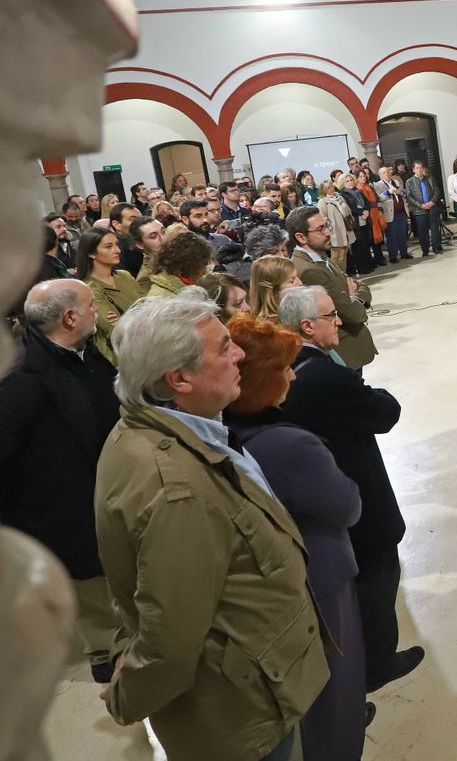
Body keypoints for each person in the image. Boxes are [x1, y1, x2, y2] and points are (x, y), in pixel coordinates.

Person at [95, 295, 328, 761]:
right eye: (223, 348)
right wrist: (127, 696)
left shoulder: (170, 430)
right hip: (244, 713)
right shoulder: (176, 489)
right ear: (179, 379)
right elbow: (171, 637)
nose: (240, 353)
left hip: (252, 684)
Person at [225, 312, 371, 760]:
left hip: (279, 581)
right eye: (285, 368)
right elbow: (346, 505)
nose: (293, 374)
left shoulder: (228, 429)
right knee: (336, 688)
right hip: (320, 576)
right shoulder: (289, 445)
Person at [277, 287, 424, 696]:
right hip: (357, 490)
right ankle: (378, 663)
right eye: (330, 316)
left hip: (327, 491)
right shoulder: (323, 375)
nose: (338, 320)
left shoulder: (290, 363)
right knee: (378, 579)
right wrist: (373, 392)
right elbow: (384, 411)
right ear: (307, 325)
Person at [0, 279, 120, 685]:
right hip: (63, 504)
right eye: (91, 304)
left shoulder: (81, 353)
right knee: (96, 598)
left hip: (96, 486)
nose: (97, 310)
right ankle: (108, 662)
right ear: (70, 317)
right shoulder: (22, 376)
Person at [288, 206, 378, 369]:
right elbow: (352, 313)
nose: (328, 233)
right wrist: (357, 297)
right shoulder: (308, 270)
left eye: (326, 226)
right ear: (301, 237)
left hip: (353, 347)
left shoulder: (321, 257)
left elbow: (359, 285)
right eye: (320, 229)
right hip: (344, 353)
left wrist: (353, 295)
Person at [77, 227, 146, 365]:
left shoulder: (124, 276)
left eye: (117, 244)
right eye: (109, 246)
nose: (117, 250)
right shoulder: (89, 289)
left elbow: (149, 306)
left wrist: (124, 318)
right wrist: (140, 315)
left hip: (147, 345)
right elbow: (115, 329)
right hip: (120, 357)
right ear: (91, 253)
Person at [146, 231, 214, 298]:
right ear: (189, 265)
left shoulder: (181, 285)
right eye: (204, 265)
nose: (205, 272)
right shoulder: (163, 298)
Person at [223, 222, 289, 283]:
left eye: (283, 250)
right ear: (258, 256)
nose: (282, 256)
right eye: (274, 253)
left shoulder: (289, 271)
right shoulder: (249, 280)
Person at [404, 160, 444, 257]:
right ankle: (425, 250)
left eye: (421, 167)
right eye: (417, 168)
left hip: (432, 208)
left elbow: (437, 191)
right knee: (422, 232)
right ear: (414, 170)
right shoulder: (409, 182)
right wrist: (420, 205)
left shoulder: (430, 179)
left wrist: (431, 202)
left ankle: (436, 248)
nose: (419, 170)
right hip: (419, 211)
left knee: (435, 230)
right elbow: (409, 197)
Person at [317, 180, 357, 270]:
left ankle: (344, 274)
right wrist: (330, 228)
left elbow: (348, 211)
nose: (331, 188)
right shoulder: (322, 202)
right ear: (324, 190)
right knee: (335, 256)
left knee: (344, 254)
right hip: (334, 232)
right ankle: (336, 276)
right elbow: (322, 217)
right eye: (328, 187)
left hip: (345, 228)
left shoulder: (340, 197)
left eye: (332, 186)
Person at [250, 254, 303, 321]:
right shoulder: (273, 327)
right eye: (291, 281)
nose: (300, 284)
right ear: (273, 291)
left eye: (297, 277)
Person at [378, 165, 410, 263]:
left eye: (387, 171)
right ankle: (393, 256)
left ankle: (404, 253)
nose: (387, 173)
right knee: (392, 236)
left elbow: (402, 192)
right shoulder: (378, 185)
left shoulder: (396, 182)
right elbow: (379, 198)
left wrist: (404, 193)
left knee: (402, 234)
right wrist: (388, 192)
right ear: (380, 175)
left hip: (401, 212)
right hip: (390, 214)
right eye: (384, 172)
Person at [129, 216, 166, 288]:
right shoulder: (146, 279)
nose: (163, 238)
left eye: (163, 231)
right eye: (153, 236)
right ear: (140, 244)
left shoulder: (180, 254)